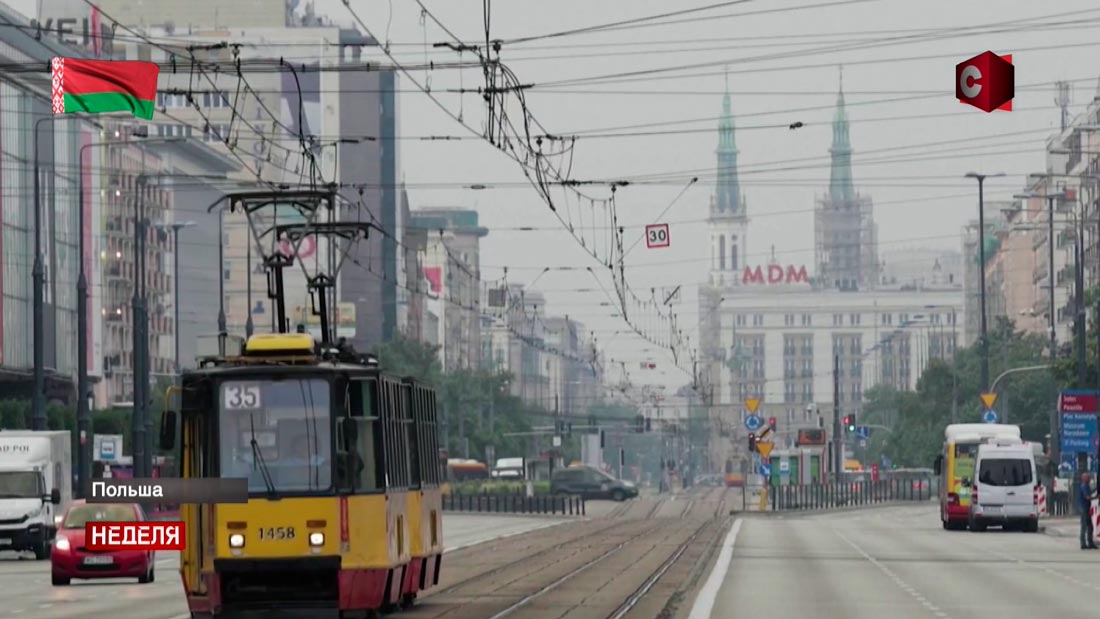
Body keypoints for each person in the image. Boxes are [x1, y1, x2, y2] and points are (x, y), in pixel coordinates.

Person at [1078, 472, 1097, 550]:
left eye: (1089, 477)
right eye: (1087, 477)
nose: (1089, 479)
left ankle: (1090, 542)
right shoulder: (1084, 486)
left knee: (1090, 526)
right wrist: (1096, 497)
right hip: (1084, 508)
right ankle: (1083, 543)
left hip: (1086, 508)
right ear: (1083, 478)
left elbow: (1091, 492)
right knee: (1084, 526)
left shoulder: (1087, 486)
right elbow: (1087, 497)